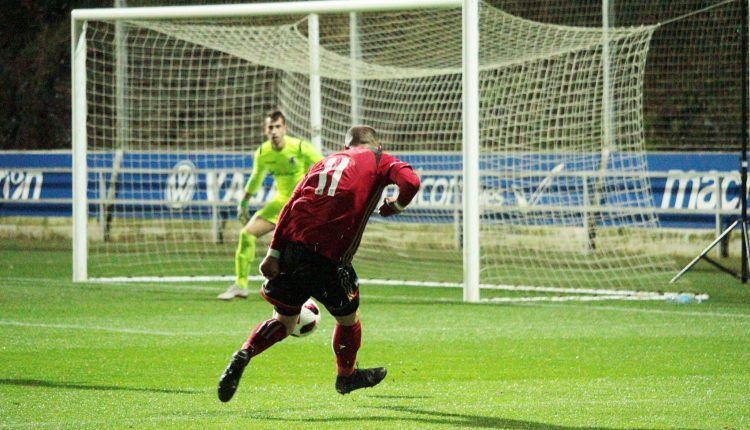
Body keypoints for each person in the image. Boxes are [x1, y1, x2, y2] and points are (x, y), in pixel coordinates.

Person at [217, 125, 421, 402]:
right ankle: (346, 376)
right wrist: (396, 206)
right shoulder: (378, 158)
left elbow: (290, 204)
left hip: (291, 249)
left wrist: (273, 252)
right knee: (349, 319)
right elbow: (411, 182)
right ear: (376, 143)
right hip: (328, 257)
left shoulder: (324, 162)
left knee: (284, 321)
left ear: (346, 145)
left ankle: (244, 353)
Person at [218, 110, 323, 300]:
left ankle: (315, 287)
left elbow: (324, 167)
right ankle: (240, 285)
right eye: (270, 128)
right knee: (247, 234)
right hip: (280, 205)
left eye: (277, 127)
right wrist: (244, 202)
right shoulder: (263, 152)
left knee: (305, 250)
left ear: (285, 128)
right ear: (265, 130)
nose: (274, 131)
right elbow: (256, 177)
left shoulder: (300, 148)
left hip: (301, 207)